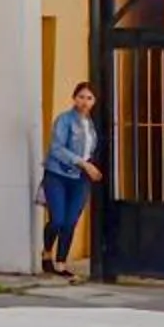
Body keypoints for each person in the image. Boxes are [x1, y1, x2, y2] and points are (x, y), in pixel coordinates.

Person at [43, 81, 102, 277]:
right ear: (74, 98)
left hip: (81, 179)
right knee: (57, 220)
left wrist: (91, 167)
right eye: (81, 97)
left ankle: (61, 263)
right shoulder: (64, 120)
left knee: (70, 221)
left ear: (94, 101)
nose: (85, 102)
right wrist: (84, 164)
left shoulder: (91, 125)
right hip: (58, 174)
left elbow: (90, 150)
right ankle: (47, 252)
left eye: (89, 98)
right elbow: (57, 148)